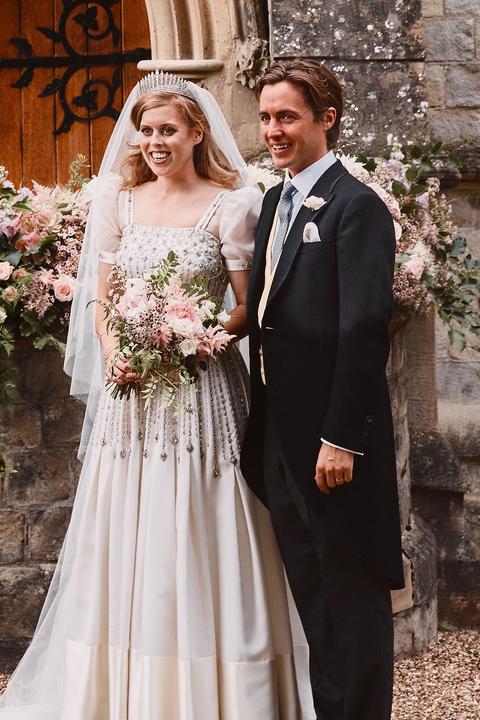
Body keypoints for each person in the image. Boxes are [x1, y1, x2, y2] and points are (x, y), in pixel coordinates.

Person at [0, 71, 314, 719]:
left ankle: (222, 691)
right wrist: (122, 351)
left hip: (201, 390)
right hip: (132, 398)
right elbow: (103, 302)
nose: (154, 141)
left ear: (197, 133)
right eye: (147, 131)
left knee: (207, 520)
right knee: (129, 528)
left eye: (168, 130)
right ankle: (121, 693)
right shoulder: (118, 203)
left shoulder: (232, 205)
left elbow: (244, 306)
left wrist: (193, 338)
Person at [243, 60, 402, 720]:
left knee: (350, 598)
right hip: (280, 431)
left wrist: (341, 438)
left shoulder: (356, 206)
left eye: (287, 117)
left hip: (332, 446)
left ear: (325, 119)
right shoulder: (278, 200)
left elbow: (364, 329)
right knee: (313, 595)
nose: (273, 130)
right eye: (266, 117)